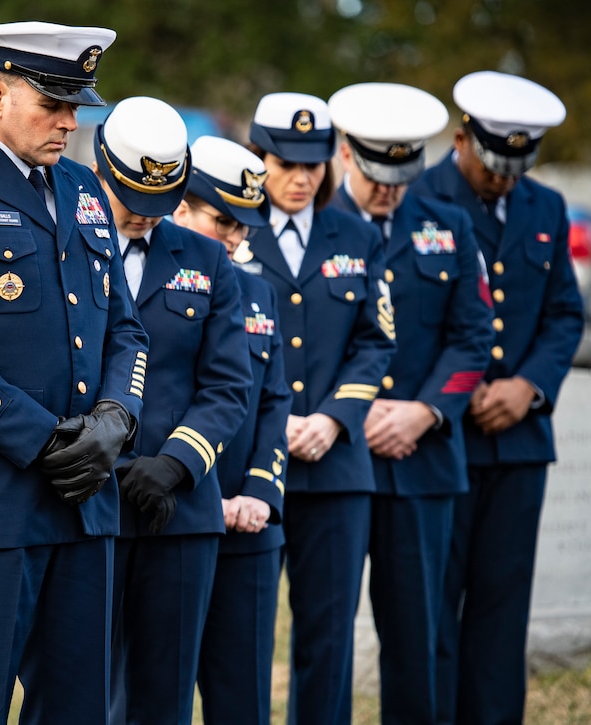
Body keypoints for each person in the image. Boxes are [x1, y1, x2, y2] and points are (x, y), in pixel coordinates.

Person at [0, 22, 150, 725]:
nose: (72, 123)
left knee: (77, 706)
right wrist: (44, 440)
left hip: (86, 504)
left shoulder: (82, 188)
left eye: (77, 106)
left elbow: (125, 330)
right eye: (54, 105)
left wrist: (115, 419)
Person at [411, 70, 584, 725]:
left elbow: (566, 313)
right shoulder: (421, 199)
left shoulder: (542, 206)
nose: (505, 178)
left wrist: (529, 385)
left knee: (502, 608)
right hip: (443, 440)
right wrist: (457, 389)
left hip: (518, 442)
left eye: (518, 164)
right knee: (435, 607)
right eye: (493, 164)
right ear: (461, 139)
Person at [327, 82, 495, 725]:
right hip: (338, 461)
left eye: (402, 174)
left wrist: (424, 412)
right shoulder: (319, 231)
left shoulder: (448, 227)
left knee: (418, 637)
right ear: (347, 154)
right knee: (328, 632)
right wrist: (349, 413)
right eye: (377, 174)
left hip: (423, 463)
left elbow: (474, 337)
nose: (390, 189)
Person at [89, 97, 253, 725]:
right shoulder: (66, 246)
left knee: (162, 697)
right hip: (86, 500)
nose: (144, 218)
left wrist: (176, 464)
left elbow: (227, 385)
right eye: (134, 199)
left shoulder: (206, 260)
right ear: (103, 170)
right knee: (81, 691)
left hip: (177, 514)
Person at [244, 92, 396, 725]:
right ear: (259, 157)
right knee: (243, 640)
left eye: (313, 164)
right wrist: (274, 420)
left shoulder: (356, 234)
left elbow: (376, 340)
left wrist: (334, 418)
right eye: (285, 163)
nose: (302, 178)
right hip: (251, 467)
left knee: (328, 639)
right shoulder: (231, 229)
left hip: (336, 469)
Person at [176, 136, 293, 725]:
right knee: (145, 695)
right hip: (170, 516)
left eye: (246, 225)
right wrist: (205, 496)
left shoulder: (257, 292)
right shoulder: (143, 280)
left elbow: (273, 402)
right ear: (181, 207)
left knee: (244, 697)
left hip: (249, 525)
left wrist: (260, 493)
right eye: (223, 220)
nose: (237, 237)